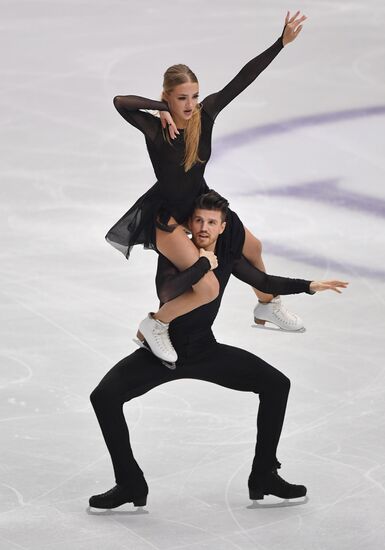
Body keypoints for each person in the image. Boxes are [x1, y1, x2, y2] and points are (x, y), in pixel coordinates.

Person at [89, 191, 347, 509]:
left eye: (211, 222)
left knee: (276, 384)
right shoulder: (176, 256)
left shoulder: (227, 257)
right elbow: (168, 292)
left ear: (223, 227)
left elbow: (263, 280)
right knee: (103, 397)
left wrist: (308, 286)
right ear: (190, 223)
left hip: (203, 351)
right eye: (198, 220)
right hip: (163, 352)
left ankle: (264, 475)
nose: (204, 227)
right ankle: (130, 483)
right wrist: (200, 265)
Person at [106, 11, 308, 363]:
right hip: (168, 216)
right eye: (182, 98)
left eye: (194, 96)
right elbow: (121, 102)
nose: (190, 105)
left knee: (253, 246)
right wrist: (161, 109)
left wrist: (280, 43)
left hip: (200, 205)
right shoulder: (156, 130)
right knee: (208, 288)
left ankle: (266, 306)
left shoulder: (206, 114)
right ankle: (155, 324)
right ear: (168, 96)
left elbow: (242, 79)